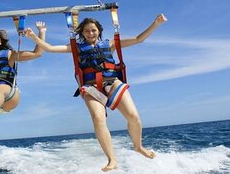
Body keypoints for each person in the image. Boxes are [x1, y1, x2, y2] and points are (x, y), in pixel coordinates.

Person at [25, 14, 167, 172]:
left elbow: (138, 39)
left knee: (133, 117)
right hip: (90, 87)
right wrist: (34, 38)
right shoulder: (76, 48)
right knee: (98, 119)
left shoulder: (111, 44)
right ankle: (112, 159)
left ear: (99, 31)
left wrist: (156, 24)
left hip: (112, 82)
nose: (90, 33)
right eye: (86, 31)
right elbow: (50, 48)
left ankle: (138, 146)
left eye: (93, 30)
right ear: (82, 33)